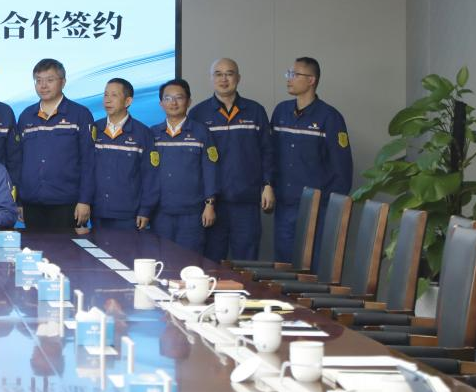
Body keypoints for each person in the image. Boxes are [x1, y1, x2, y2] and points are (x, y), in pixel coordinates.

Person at [188, 58, 275, 261]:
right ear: (211, 79)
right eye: (218, 74)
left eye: (229, 74)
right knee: (211, 261)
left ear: (238, 78)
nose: (224, 79)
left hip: (246, 200)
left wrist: (268, 185)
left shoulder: (255, 111)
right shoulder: (198, 114)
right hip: (211, 203)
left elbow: (267, 151)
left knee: (246, 262)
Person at [271, 56, 352, 264]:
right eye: (288, 73)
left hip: (317, 209)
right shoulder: (281, 112)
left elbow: (342, 171)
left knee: (312, 267)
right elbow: (270, 155)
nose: (289, 78)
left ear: (311, 80)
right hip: (285, 204)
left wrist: (325, 205)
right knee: (283, 265)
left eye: (294, 74)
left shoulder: (330, 117)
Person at [14, 58, 94, 233]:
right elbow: (19, 161)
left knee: (67, 250)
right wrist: (19, 201)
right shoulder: (26, 116)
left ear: (63, 82)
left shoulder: (80, 114)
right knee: (33, 249)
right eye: (38, 80)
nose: (43, 86)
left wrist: (85, 200)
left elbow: (89, 160)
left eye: (50, 80)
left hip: (67, 203)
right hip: (31, 203)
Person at [145, 79, 218, 254]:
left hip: (192, 214)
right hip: (160, 213)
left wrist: (210, 204)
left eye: (179, 97)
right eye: (168, 98)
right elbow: (146, 174)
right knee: (161, 260)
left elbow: (210, 170)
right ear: (161, 103)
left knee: (190, 261)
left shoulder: (201, 132)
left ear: (189, 101)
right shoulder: (152, 134)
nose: (173, 103)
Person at [87, 77, 154, 232]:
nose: (108, 100)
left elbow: (150, 176)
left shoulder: (142, 133)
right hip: (97, 212)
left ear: (128, 101)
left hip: (129, 215)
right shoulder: (94, 129)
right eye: (105, 95)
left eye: (114, 95)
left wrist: (145, 209)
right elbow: (86, 168)